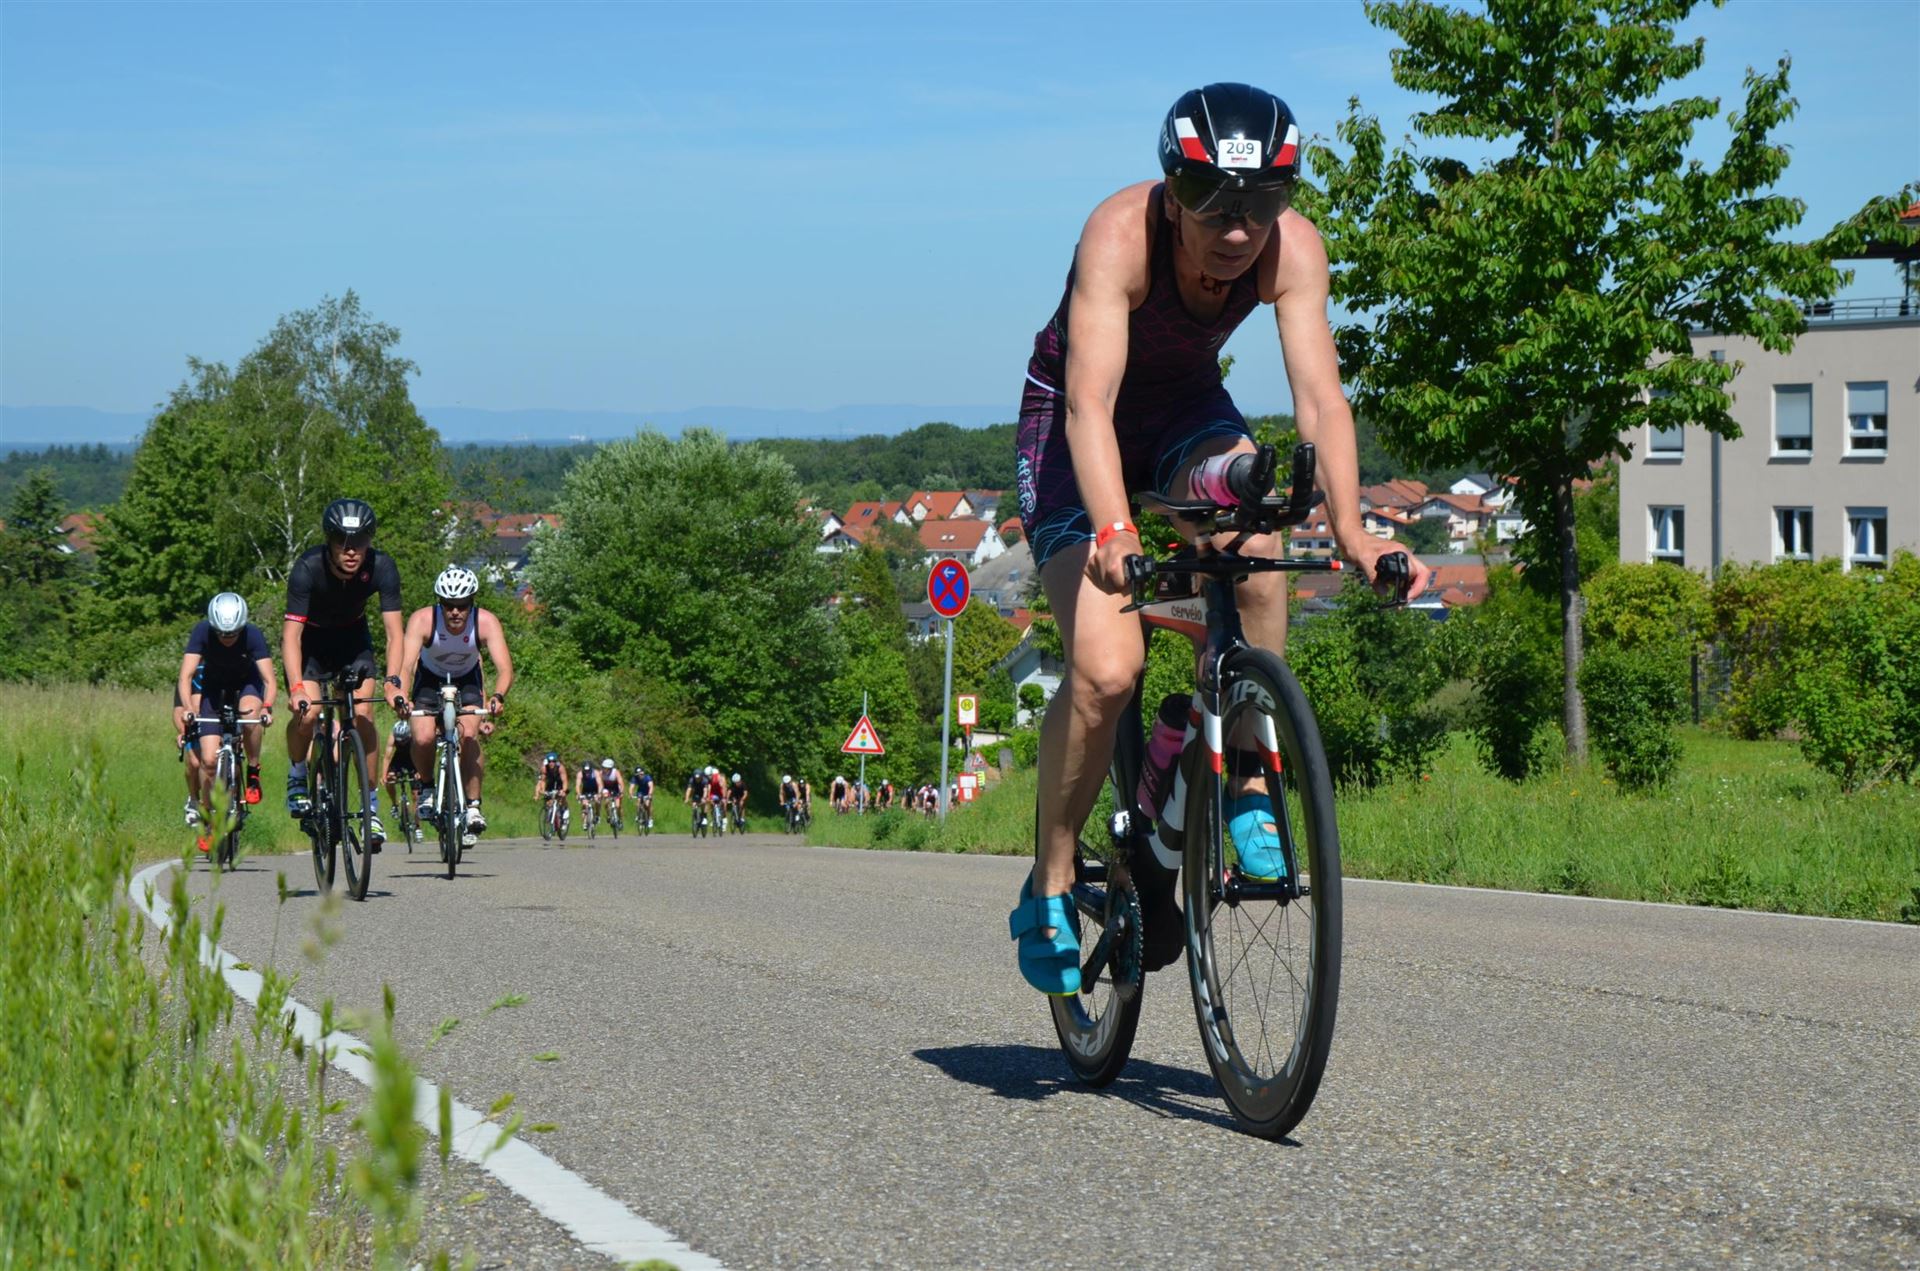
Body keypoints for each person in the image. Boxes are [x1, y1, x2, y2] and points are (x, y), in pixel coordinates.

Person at [1009, 84, 1431, 995]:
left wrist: (1355, 533)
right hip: (1076, 425)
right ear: (1173, 195)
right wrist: (1115, 530)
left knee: (1258, 546)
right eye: (1214, 204)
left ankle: (1242, 773)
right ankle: (1050, 874)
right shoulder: (1118, 235)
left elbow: (1322, 400)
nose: (1239, 230)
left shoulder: (1293, 249)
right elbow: (1089, 404)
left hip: (1183, 413)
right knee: (1109, 670)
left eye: (1263, 202)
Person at [283, 498, 406, 849]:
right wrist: (296, 688)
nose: (351, 550)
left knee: (363, 714)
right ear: (329, 540)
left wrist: (393, 682)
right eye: (342, 541)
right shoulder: (307, 568)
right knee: (308, 714)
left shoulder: (382, 566)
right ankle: (297, 773)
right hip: (312, 643)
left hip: (353, 641)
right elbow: (291, 637)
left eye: (360, 541)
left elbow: (395, 634)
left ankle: (370, 807)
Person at [392, 565, 513, 844]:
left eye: (462, 605)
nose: (455, 612)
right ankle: (426, 787)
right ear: (440, 603)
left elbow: (505, 668)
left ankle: (473, 806)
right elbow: (407, 665)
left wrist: (498, 696)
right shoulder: (423, 620)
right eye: (448, 605)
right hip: (428, 679)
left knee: (469, 735)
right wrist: (403, 696)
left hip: (468, 679)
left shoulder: (486, 622)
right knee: (423, 737)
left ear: (472, 603)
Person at [174, 592, 276, 853]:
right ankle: (208, 819)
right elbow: (185, 676)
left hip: (247, 684)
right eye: (221, 633)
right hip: (213, 688)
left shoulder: (253, 635)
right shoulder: (201, 632)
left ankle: (253, 770)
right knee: (208, 761)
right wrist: (188, 708)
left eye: (232, 634)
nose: (226, 638)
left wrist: (267, 707)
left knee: (250, 716)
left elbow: (268, 679)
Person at [378, 719, 423, 843]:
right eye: (399, 741)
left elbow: (421, 753)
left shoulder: (415, 736)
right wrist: (384, 775)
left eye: (404, 740)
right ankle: (395, 804)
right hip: (398, 759)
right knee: (389, 778)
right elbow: (387, 757)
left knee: (416, 795)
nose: (402, 743)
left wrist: (420, 771)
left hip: (414, 758)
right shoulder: (393, 737)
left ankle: (418, 827)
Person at [533, 751, 570, 833]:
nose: (551, 763)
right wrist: (539, 793)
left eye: (553, 761)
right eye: (550, 761)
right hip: (551, 784)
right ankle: (552, 820)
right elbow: (541, 781)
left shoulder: (560, 768)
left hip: (560, 783)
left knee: (562, 798)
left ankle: (565, 814)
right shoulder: (544, 768)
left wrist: (563, 790)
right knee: (549, 802)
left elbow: (565, 781)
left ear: (556, 761)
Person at [599, 759, 625, 827]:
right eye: (604, 767)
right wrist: (599, 793)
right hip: (606, 788)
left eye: (606, 768)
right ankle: (608, 815)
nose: (605, 769)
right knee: (606, 802)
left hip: (616, 788)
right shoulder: (601, 773)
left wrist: (622, 792)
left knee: (618, 806)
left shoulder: (616, 772)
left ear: (610, 768)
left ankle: (620, 820)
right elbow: (599, 784)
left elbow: (621, 783)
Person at [578, 759, 600, 824]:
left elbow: (600, 784)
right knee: (584, 804)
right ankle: (585, 822)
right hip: (585, 791)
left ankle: (597, 814)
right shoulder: (580, 774)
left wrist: (599, 794)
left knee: (597, 802)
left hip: (595, 790)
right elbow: (577, 785)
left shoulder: (596, 773)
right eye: (585, 771)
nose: (587, 772)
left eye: (588, 771)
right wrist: (579, 794)